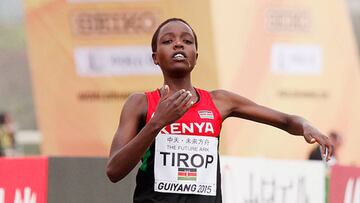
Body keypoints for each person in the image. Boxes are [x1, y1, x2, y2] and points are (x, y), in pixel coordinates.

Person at [106, 18, 333, 202]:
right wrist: (156, 124)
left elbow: (284, 120)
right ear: (155, 57)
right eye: (168, 41)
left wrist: (306, 125)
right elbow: (114, 171)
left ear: (196, 55)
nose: (178, 44)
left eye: (187, 41)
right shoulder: (140, 103)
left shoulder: (219, 101)